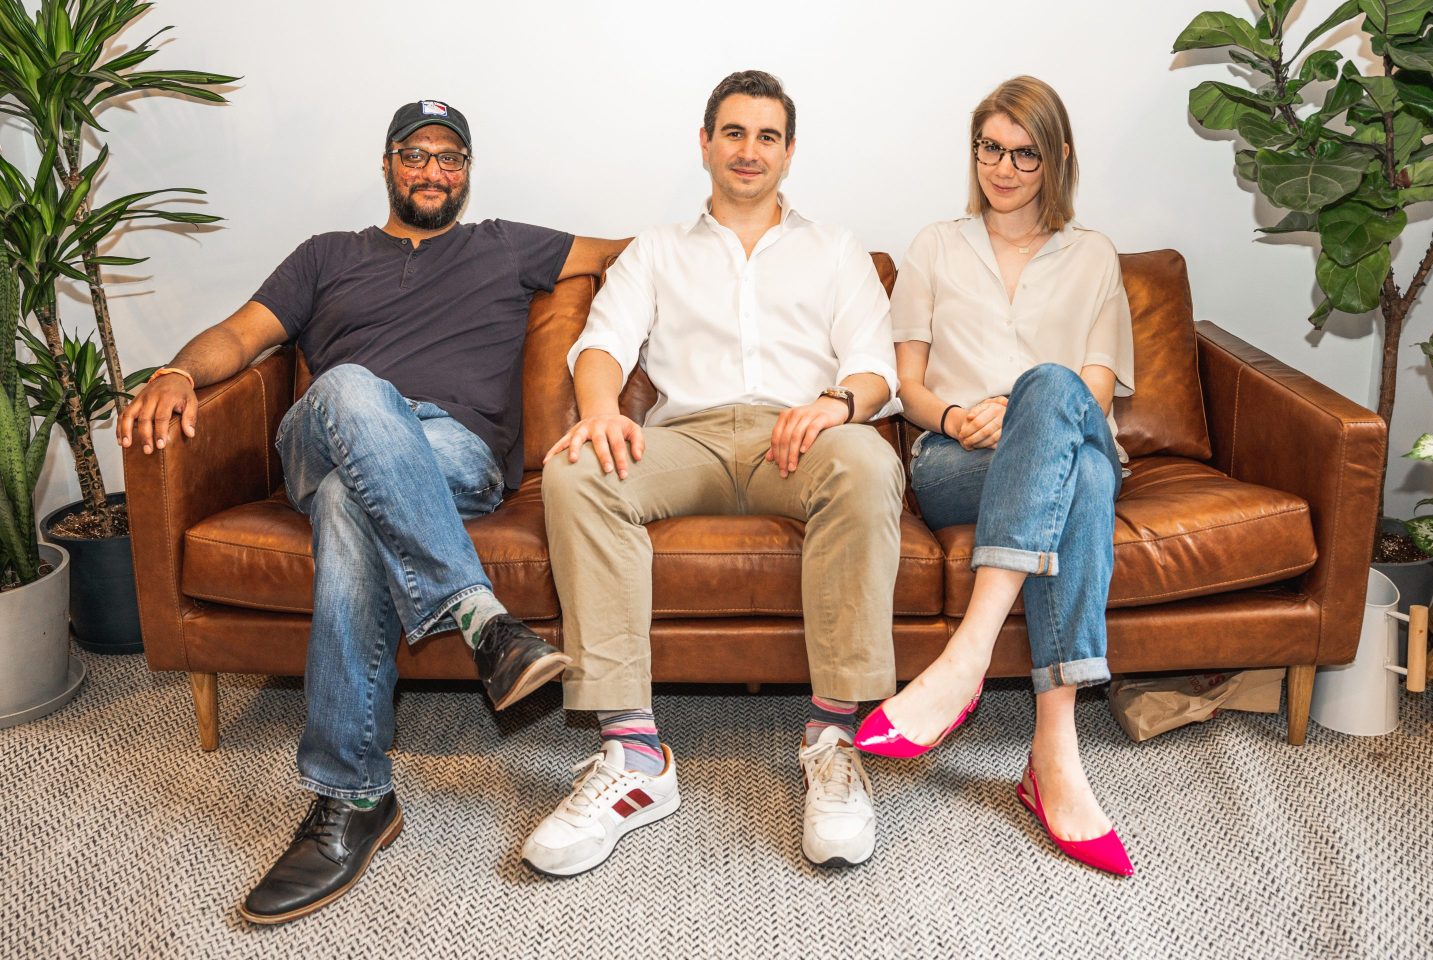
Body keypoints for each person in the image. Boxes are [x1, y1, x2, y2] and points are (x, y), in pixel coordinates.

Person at [118, 99, 627, 922]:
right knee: (351, 387)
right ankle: (481, 619)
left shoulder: (506, 244)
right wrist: (177, 371)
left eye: (449, 157)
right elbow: (240, 338)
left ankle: (354, 798)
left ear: (467, 172)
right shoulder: (326, 255)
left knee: (347, 508)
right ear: (387, 164)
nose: (433, 170)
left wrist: (738, 230)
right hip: (323, 438)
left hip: (455, 455)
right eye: (414, 154)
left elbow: (632, 252)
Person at [527, 70, 904, 875]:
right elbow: (601, 344)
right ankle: (633, 756)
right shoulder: (657, 249)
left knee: (869, 459)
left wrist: (837, 403)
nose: (749, 150)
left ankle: (832, 738)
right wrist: (600, 411)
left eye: (767, 136)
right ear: (705, 143)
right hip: (687, 440)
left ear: (789, 152)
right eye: (733, 132)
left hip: (798, 437)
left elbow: (876, 367)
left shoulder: (836, 249)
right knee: (578, 469)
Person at [853, 76, 1136, 877]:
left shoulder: (1094, 255)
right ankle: (1053, 759)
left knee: (1056, 401)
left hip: (1061, 436)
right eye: (990, 149)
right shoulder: (935, 247)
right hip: (956, 461)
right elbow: (907, 384)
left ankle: (967, 662)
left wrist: (1024, 409)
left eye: (1025, 153)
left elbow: (1096, 391)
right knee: (1082, 478)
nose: (1004, 168)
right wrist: (951, 418)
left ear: (1059, 158)